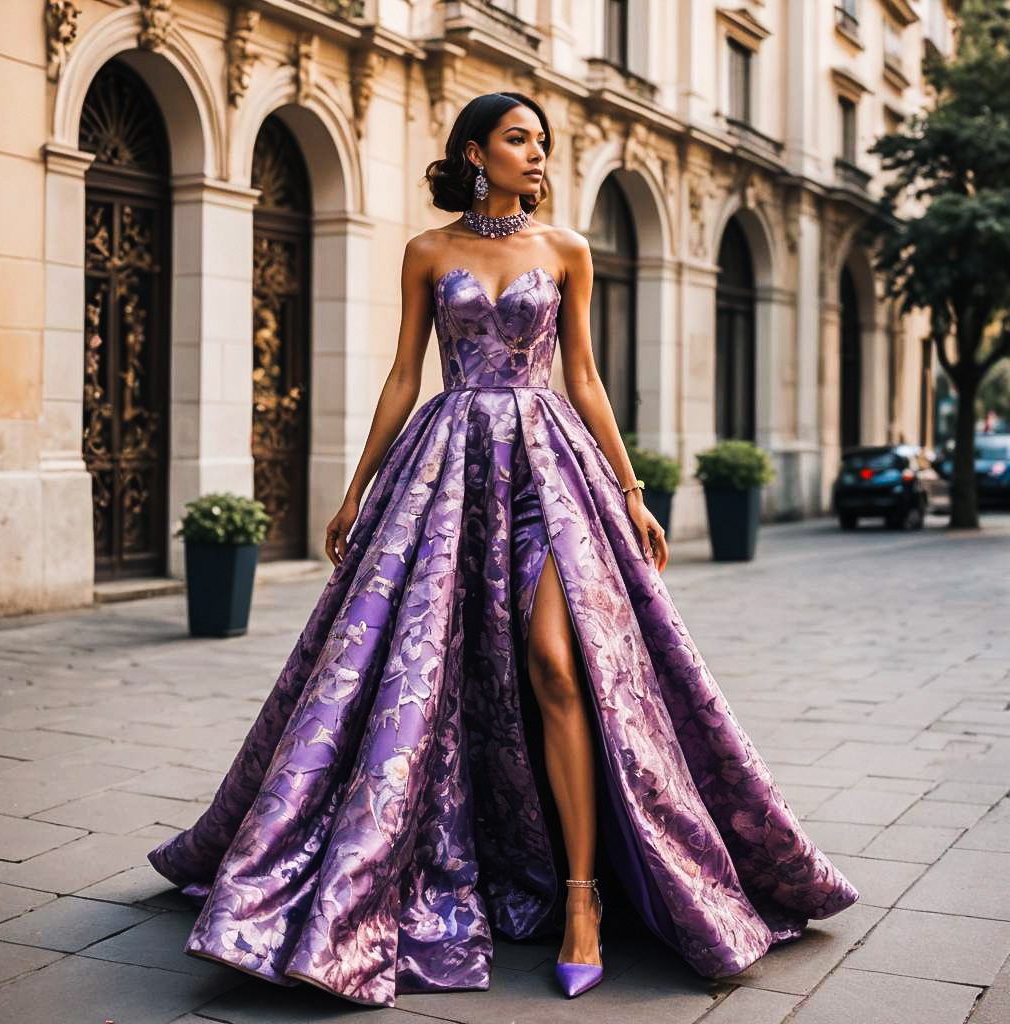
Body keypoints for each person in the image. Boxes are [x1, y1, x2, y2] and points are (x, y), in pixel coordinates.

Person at [147, 91, 858, 1008]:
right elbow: (406, 373)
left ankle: (581, 901)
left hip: (549, 471)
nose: (537, 152)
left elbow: (587, 378)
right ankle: (417, 854)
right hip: (446, 467)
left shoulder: (564, 250)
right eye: (519, 138)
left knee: (559, 663)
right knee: (420, 668)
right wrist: (358, 486)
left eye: (543, 140)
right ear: (476, 152)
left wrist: (634, 493)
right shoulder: (427, 251)